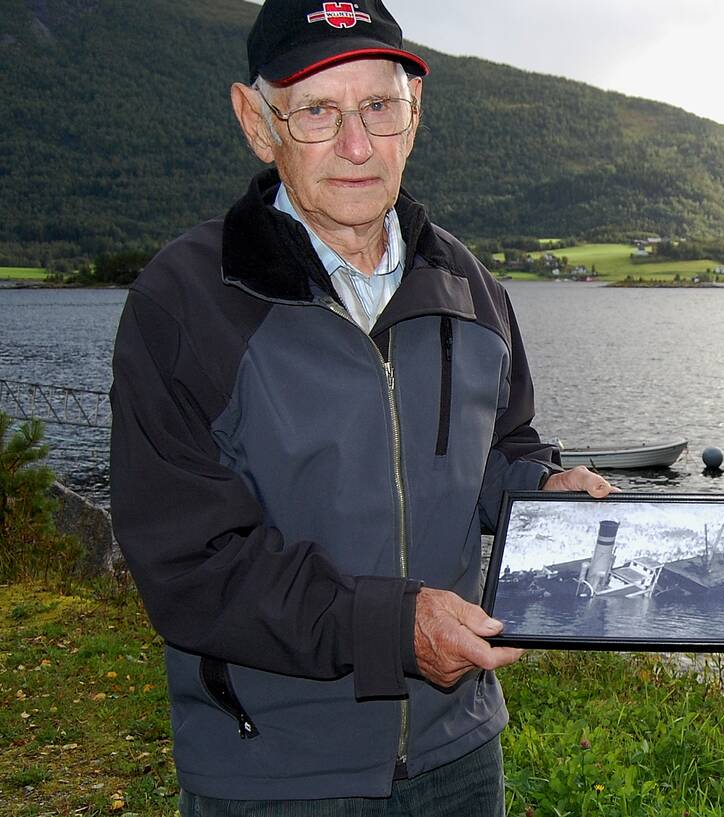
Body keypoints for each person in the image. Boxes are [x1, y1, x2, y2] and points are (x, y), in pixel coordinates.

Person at [108, 1, 613, 813]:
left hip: (459, 751)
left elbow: (498, 447)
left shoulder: (470, 285)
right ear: (256, 121)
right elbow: (190, 563)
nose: (355, 145)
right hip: (274, 773)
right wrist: (392, 628)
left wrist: (541, 492)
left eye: (378, 107)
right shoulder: (183, 303)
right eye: (317, 111)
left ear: (414, 115)